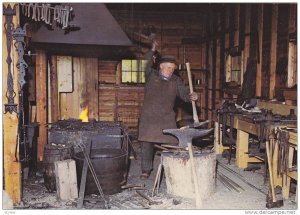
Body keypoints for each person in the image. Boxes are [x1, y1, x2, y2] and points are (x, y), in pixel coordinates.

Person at [138, 40, 198, 179]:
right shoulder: (151, 76)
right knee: (147, 144)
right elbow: (145, 64)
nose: (170, 70)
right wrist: (152, 50)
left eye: (172, 68)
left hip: (166, 118)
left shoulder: (176, 80)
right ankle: (146, 170)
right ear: (161, 67)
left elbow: (184, 95)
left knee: (172, 144)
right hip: (149, 118)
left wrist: (191, 96)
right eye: (168, 68)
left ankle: (169, 168)